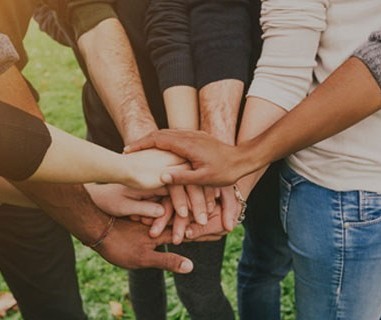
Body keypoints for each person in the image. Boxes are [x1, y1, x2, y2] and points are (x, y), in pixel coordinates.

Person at [127, 1, 381, 318]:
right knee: (256, 268)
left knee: (266, 259)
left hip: (275, 144)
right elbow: (282, 69)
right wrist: (234, 180)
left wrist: (238, 164)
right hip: (344, 185)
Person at [0, 2, 193, 319]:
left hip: (30, 168)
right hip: (26, 149)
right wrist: (123, 175)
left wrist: (141, 136)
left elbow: (86, 10)